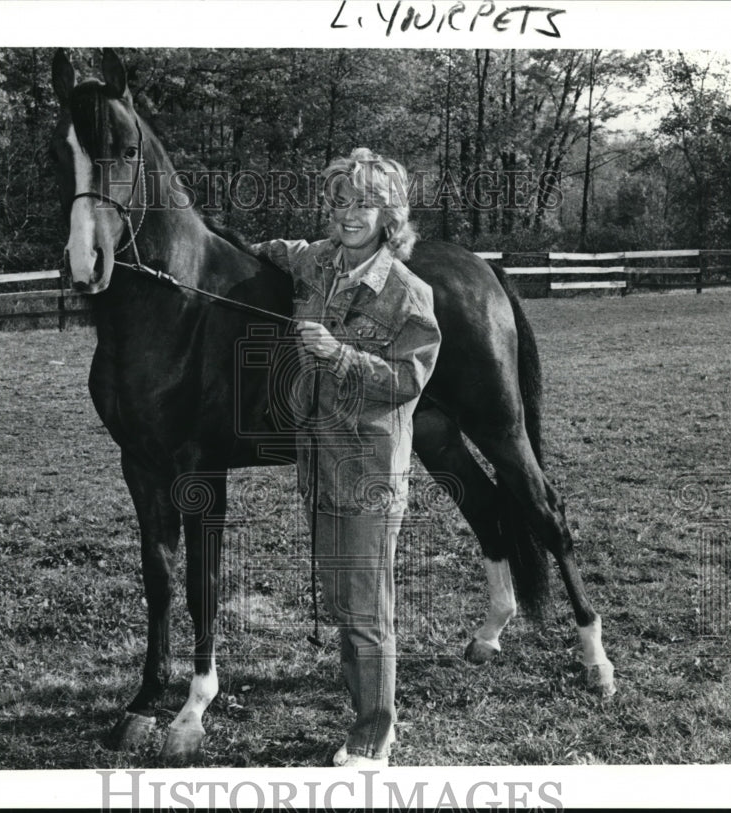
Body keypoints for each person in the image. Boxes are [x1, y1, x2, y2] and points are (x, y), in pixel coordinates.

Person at [252, 148, 442, 767]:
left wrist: (338, 354)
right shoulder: (320, 263)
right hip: (318, 461)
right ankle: (369, 701)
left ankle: (375, 730)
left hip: (368, 471)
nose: (349, 214)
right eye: (339, 202)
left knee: (365, 605)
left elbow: (406, 382)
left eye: (364, 202)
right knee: (343, 598)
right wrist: (243, 247)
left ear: (390, 214)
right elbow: (282, 250)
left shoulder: (408, 294)